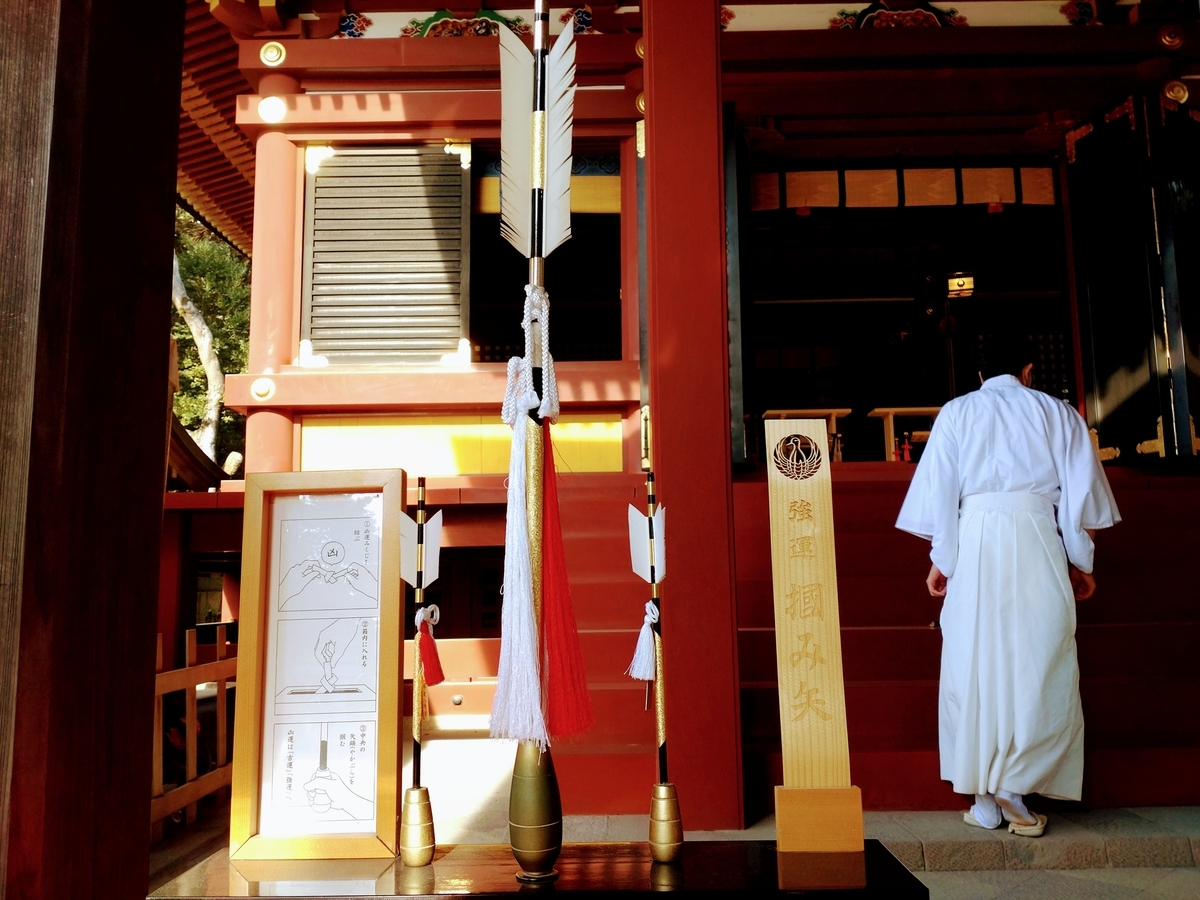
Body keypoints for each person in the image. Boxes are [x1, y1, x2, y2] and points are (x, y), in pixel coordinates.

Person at [895, 332, 1120, 837]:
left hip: (975, 541)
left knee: (973, 659)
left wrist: (942, 561)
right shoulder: (1055, 412)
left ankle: (983, 797)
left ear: (979, 376)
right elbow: (1077, 497)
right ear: (1029, 369)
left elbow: (945, 496)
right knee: (1037, 656)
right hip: (1037, 536)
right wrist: (1081, 560)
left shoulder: (957, 413)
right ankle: (1013, 786)